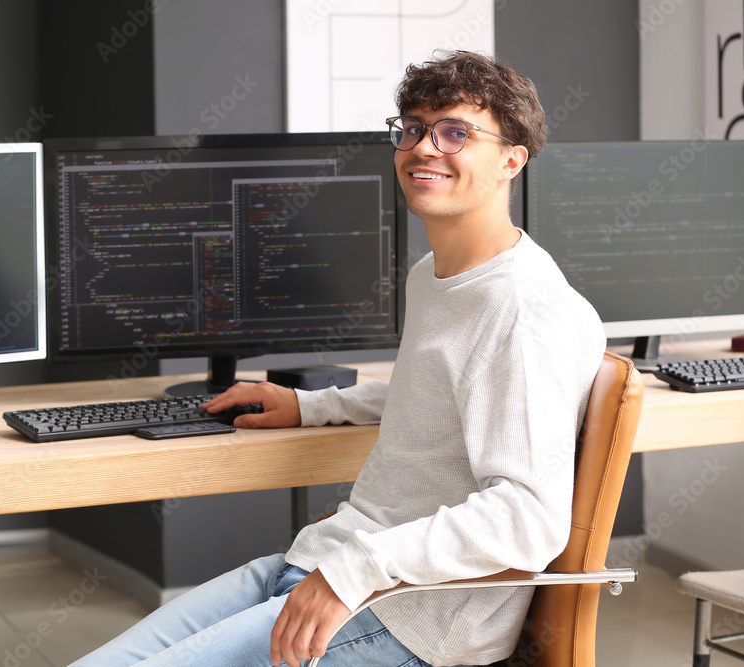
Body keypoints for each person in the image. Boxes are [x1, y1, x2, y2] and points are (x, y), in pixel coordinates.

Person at [68, 50, 605, 667]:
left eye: (456, 131)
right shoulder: (440, 273)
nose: (425, 147)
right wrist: (311, 405)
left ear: (512, 159)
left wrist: (356, 570)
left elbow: (527, 518)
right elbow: (443, 390)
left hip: (407, 617)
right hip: (327, 564)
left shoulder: (524, 311)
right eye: (413, 128)